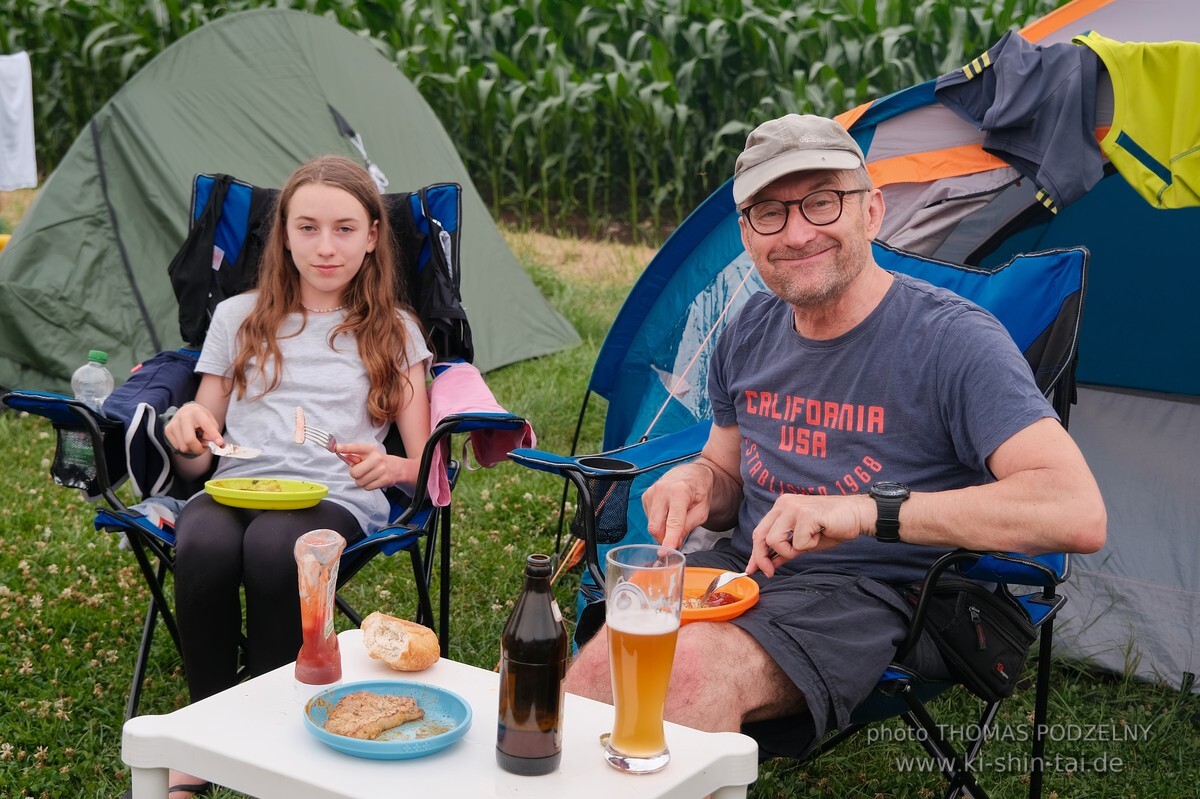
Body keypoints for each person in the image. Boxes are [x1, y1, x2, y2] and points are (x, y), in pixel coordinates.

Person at [562, 114, 1106, 758]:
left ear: (872, 211)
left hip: (878, 590)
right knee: (601, 669)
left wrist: (862, 511)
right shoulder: (748, 330)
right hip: (742, 572)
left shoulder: (954, 342)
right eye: (769, 212)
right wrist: (696, 480)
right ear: (746, 233)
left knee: (687, 674)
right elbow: (727, 474)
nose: (796, 232)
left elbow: (1076, 512)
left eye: (822, 201)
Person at [159, 155, 431, 798]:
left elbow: (425, 467)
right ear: (283, 234)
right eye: (307, 227)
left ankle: (276, 731)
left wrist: (392, 465)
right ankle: (209, 730)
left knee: (275, 549)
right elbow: (201, 454)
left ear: (372, 235)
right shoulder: (237, 319)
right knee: (200, 544)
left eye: (343, 229)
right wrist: (190, 429)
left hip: (333, 497)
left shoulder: (395, 332)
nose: (325, 246)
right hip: (236, 484)